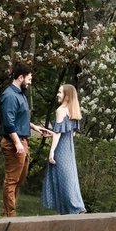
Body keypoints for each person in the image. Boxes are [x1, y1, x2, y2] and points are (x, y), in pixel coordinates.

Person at [40, 83, 87, 215]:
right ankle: (74, 208)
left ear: (67, 96)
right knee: (69, 177)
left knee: (62, 179)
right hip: (69, 149)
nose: (58, 94)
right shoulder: (73, 111)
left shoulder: (60, 110)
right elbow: (71, 133)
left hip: (61, 149)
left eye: (60, 92)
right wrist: (54, 132)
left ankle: (75, 208)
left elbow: (58, 134)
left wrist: (51, 152)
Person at [0, 64, 34, 217]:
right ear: (20, 77)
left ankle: (7, 213)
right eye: (29, 79)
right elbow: (9, 122)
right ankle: (10, 215)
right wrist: (17, 142)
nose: (30, 82)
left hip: (22, 141)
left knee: (19, 179)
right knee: (12, 180)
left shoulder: (20, 94)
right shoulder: (10, 96)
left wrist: (35, 127)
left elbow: (20, 118)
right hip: (13, 143)